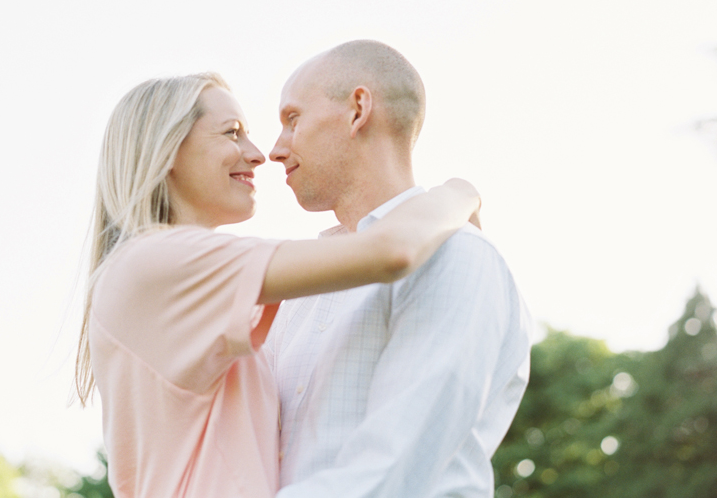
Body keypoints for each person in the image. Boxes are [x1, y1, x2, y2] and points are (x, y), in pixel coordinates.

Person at [74, 71, 482, 498]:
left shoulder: (158, 271)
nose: (257, 154)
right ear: (166, 150)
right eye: (232, 133)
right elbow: (391, 251)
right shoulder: (158, 264)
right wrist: (461, 193)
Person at [265, 40, 532, 498]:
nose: (274, 149)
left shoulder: (458, 256)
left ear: (358, 110)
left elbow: (391, 475)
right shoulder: (297, 290)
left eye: (293, 120)